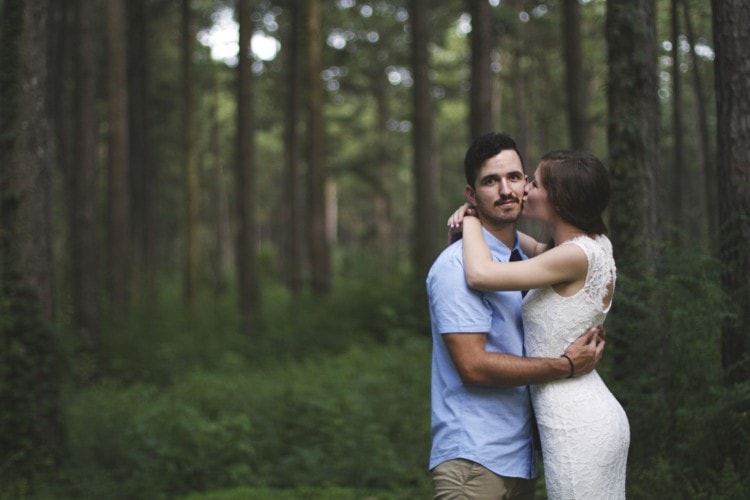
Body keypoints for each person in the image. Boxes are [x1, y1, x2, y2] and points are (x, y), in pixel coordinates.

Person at [426, 133, 606, 500]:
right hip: (474, 459)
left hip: (522, 457)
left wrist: (473, 223)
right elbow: (472, 366)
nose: (506, 190)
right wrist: (564, 366)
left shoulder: (533, 262)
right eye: (491, 181)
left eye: (514, 177)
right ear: (471, 195)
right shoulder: (456, 266)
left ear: (527, 184)